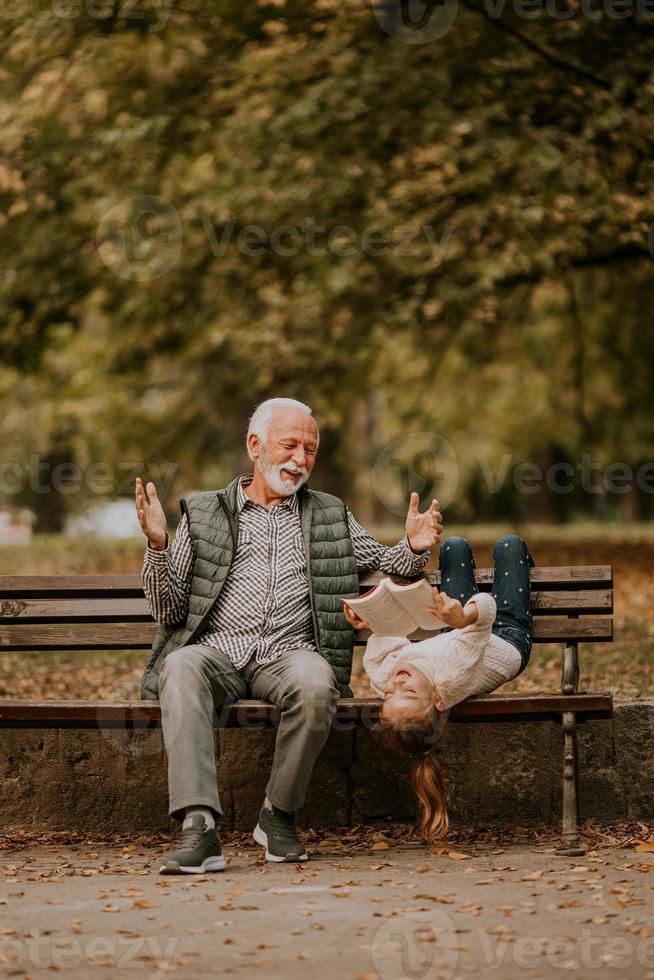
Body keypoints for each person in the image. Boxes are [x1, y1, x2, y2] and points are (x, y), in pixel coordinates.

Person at [134, 397, 443, 873]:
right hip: (217, 649)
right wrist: (159, 545)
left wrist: (414, 546)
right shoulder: (204, 513)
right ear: (255, 446)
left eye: (310, 449)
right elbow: (168, 608)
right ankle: (199, 827)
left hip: (289, 654)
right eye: (290, 445)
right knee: (179, 666)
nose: (300, 459)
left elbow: (389, 565)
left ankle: (278, 814)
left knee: (319, 684)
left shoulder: (329, 515)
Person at [343, 534, 534, 844]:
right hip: (505, 639)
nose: (397, 684)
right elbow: (487, 610)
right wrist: (464, 616)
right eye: (408, 693)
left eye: (390, 695)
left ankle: (459, 610)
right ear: (437, 701)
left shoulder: (385, 679)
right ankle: (521, 566)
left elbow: (388, 640)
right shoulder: (452, 673)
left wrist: (370, 619)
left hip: (458, 636)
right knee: (509, 546)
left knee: (453, 546)